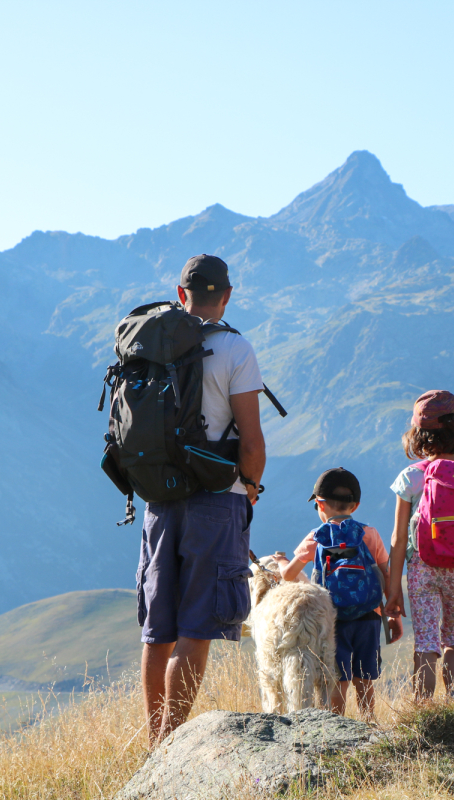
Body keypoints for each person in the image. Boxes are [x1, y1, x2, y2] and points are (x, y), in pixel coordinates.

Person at [139, 254, 266, 745]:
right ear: (227, 296)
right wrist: (249, 486)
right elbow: (251, 442)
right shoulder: (235, 349)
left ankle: (154, 745)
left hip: (158, 498)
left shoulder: (150, 346)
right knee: (196, 624)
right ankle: (174, 746)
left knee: (158, 627)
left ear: (179, 293)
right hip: (217, 498)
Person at [385, 391, 454, 700]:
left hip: (423, 569)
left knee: (427, 642)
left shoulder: (410, 477)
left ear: (418, 434)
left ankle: (424, 711)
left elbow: (398, 538)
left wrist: (394, 590)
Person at [274, 468, 403, 716]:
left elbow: (289, 575)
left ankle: (337, 728)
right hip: (369, 616)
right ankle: (369, 725)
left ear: (320, 505)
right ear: (355, 506)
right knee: (364, 679)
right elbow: (386, 576)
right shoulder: (369, 534)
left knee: (337, 679)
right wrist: (392, 614)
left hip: (332, 619)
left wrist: (280, 560)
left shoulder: (316, 537)